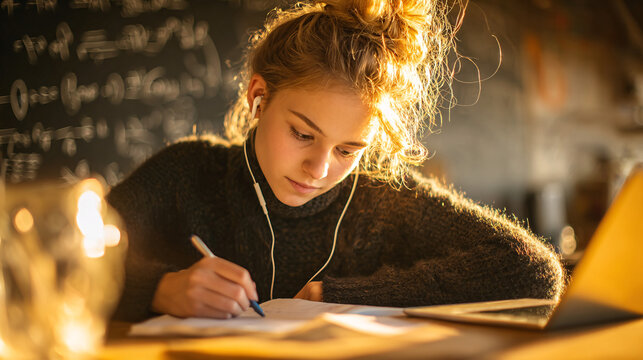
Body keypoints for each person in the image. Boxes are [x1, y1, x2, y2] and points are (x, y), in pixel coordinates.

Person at [106, 0, 565, 322]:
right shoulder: (186, 173)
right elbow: (50, 257)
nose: (320, 169)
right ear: (258, 98)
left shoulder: (383, 201)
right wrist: (161, 289)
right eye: (302, 134)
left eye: (348, 150)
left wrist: (347, 296)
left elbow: (533, 270)